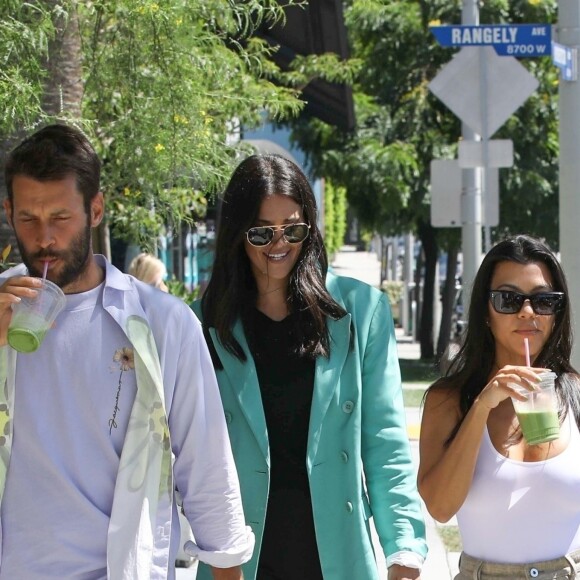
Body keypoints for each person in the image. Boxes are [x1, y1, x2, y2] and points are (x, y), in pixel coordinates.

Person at [0, 123, 254, 579]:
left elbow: (207, 464)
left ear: (95, 209)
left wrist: (227, 567)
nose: (44, 239)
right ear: (8, 210)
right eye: (28, 219)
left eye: (61, 218)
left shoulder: (161, 323)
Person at [192, 154, 427, 580]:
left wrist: (404, 549)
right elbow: (191, 461)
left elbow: (385, 443)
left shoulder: (360, 311)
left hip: (338, 557)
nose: (279, 245)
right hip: (240, 561)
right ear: (236, 235)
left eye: (294, 229)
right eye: (262, 233)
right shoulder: (201, 325)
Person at [418, 235, 580, 579]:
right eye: (508, 299)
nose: (527, 312)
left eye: (543, 301)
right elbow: (441, 508)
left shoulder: (576, 392)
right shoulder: (448, 402)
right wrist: (481, 407)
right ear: (486, 313)